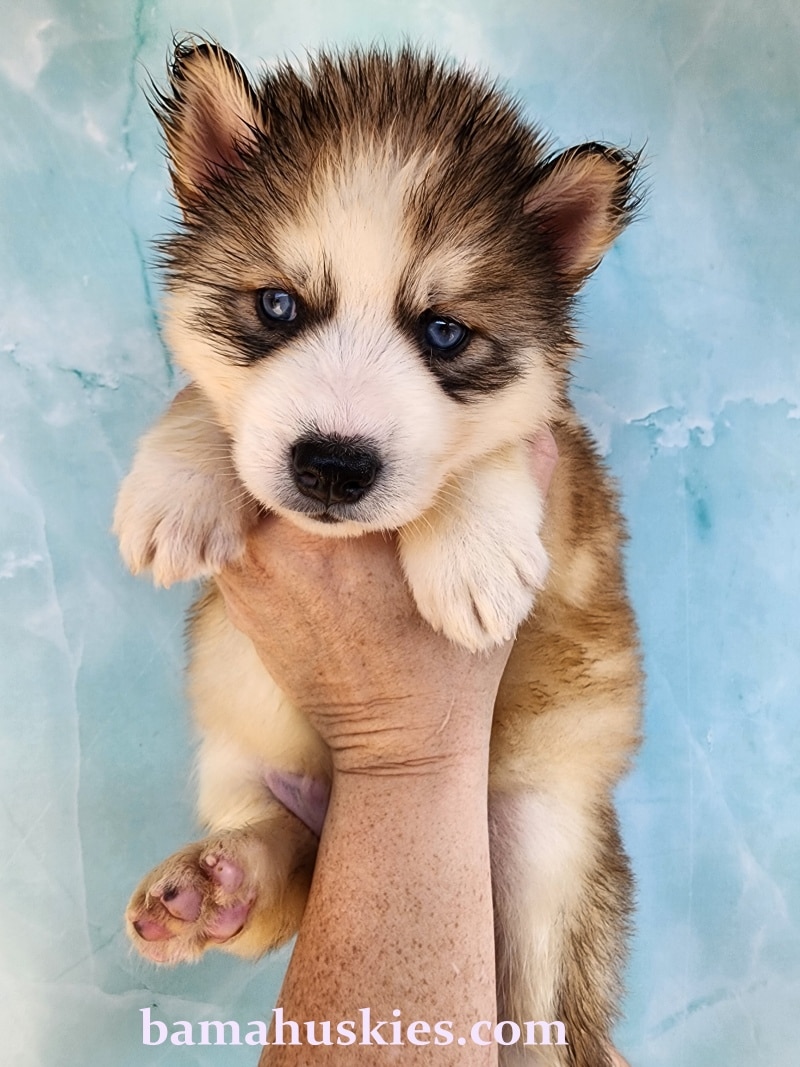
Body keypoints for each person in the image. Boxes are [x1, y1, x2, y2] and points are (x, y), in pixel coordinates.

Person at [216, 433, 559, 1065]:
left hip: (501, 774)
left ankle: (269, 850)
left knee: (547, 1009)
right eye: (283, 321)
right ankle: (269, 846)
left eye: (442, 330)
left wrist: (403, 746)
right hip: (295, 753)